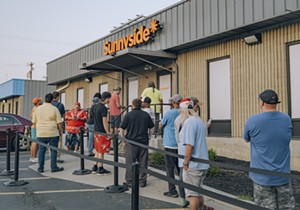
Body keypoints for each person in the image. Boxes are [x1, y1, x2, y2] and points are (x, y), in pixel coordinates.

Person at [243, 89, 295, 209]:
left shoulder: (252, 120)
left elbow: (246, 139)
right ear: (276, 103)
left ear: (261, 103)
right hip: (283, 176)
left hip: (262, 178)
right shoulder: (286, 119)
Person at [175, 98, 209, 210]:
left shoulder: (189, 122)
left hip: (193, 164)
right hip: (202, 162)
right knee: (198, 192)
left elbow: (189, 145)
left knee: (192, 195)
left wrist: (185, 162)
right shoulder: (199, 121)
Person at [119, 98, 154, 188]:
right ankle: (142, 181)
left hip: (131, 142)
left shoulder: (129, 115)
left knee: (130, 162)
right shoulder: (145, 115)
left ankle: (130, 181)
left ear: (132, 105)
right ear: (140, 105)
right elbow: (152, 127)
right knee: (143, 162)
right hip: (143, 142)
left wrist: (123, 139)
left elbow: (121, 128)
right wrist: (149, 136)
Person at [160, 94, 185, 200]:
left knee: (169, 168)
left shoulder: (169, 113)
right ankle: (183, 190)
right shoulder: (184, 113)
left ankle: (172, 190)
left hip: (169, 143)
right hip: (180, 144)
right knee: (180, 169)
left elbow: (161, 125)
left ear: (174, 103)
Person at [32, 93, 63, 173]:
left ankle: (40, 168)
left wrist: (37, 130)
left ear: (45, 99)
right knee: (53, 150)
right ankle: (53, 167)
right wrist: (60, 131)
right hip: (52, 132)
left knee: (41, 151)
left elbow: (34, 122)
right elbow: (59, 122)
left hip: (41, 132)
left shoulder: (38, 109)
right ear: (52, 100)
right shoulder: (54, 109)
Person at [92, 91, 112, 175]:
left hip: (96, 131)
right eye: (109, 99)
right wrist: (108, 132)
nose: (109, 101)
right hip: (101, 132)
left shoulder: (96, 106)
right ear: (106, 98)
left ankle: (95, 167)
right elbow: (105, 121)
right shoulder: (103, 108)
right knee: (101, 151)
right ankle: (100, 168)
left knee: (97, 150)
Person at [52, 91, 65, 163]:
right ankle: (58, 156)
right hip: (58, 124)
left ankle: (52, 155)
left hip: (51, 124)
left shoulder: (50, 105)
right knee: (59, 141)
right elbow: (63, 116)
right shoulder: (61, 105)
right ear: (58, 97)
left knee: (51, 141)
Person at [29, 97, 42, 162]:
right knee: (35, 142)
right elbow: (34, 119)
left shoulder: (34, 109)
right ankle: (34, 157)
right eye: (40, 100)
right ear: (37, 102)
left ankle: (32, 157)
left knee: (33, 142)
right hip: (35, 127)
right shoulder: (36, 109)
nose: (41, 101)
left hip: (34, 126)